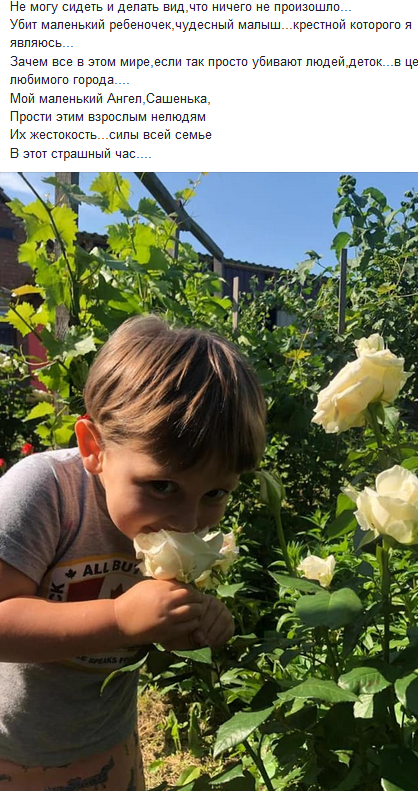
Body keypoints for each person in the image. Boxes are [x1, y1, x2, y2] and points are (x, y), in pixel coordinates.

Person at [0, 314, 266, 791]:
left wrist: (190, 622)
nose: (187, 521)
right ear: (94, 447)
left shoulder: (160, 520)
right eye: (162, 486)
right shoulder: (47, 493)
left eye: (215, 494)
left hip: (109, 741)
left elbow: (148, 626)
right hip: (13, 751)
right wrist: (120, 618)